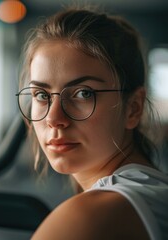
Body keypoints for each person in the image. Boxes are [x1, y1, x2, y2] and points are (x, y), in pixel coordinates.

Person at [16, 6, 168, 240]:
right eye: (42, 95)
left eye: (83, 94)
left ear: (133, 108)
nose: (54, 119)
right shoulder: (154, 193)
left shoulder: (90, 216)